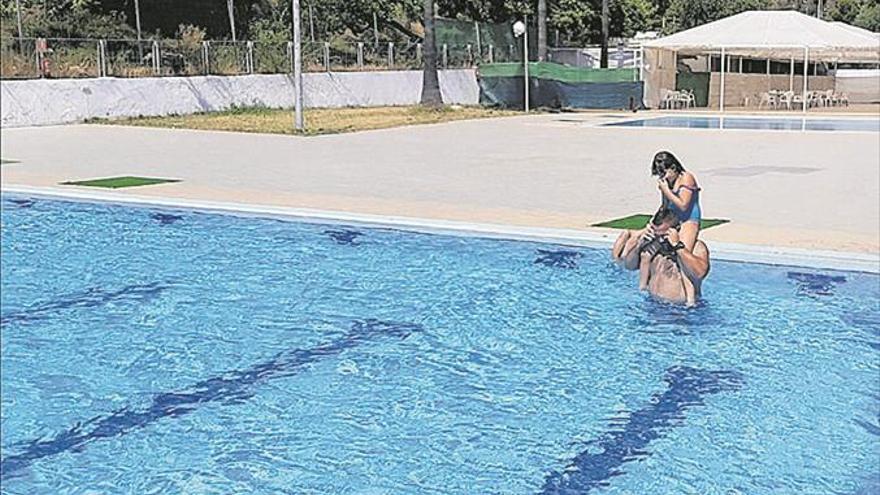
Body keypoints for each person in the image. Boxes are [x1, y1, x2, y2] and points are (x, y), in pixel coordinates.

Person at [612, 207, 710, 306]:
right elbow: (629, 266)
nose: (659, 239)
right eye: (656, 234)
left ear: (676, 229)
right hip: (652, 305)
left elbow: (700, 273)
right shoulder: (652, 244)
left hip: (680, 310)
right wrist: (639, 245)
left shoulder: (695, 247)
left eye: (663, 235)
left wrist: (678, 246)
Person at [652, 151, 702, 252]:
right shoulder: (665, 181)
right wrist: (655, 221)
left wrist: (666, 190)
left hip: (689, 218)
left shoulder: (686, 178)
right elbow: (665, 205)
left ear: (674, 168)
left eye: (664, 172)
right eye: (660, 174)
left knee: (682, 252)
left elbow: (683, 205)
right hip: (672, 218)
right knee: (649, 250)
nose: (663, 177)